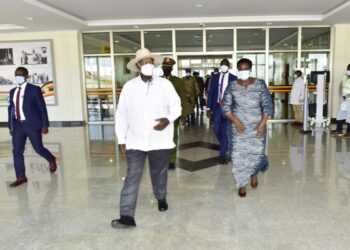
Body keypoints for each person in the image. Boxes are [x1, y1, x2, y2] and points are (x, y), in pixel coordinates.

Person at [112, 49, 181, 228]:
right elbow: (122, 115)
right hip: (135, 140)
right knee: (132, 177)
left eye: (150, 61)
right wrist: (121, 139)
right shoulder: (129, 87)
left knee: (159, 173)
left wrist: (168, 119)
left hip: (160, 140)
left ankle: (161, 197)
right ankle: (126, 216)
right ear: (137, 66)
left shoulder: (165, 85)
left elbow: (177, 106)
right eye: (144, 62)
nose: (148, 64)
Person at [221, 58, 273, 197]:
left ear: (250, 69)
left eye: (246, 69)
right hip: (238, 129)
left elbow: (267, 105)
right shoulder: (232, 86)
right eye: (241, 69)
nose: (243, 71)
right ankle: (241, 184)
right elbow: (225, 107)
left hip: (257, 126)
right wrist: (236, 121)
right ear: (237, 70)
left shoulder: (260, 84)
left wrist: (262, 124)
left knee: (256, 154)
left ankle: (254, 174)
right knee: (238, 156)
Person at [7, 67, 57, 187]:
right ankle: (21, 177)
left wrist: (45, 125)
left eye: (20, 76)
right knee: (17, 151)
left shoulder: (34, 90)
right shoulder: (13, 91)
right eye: (16, 75)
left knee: (38, 148)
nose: (18, 78)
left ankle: (51, 159)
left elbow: (42, 108)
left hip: (32, 125)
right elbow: (11, 109)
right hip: (18, 125)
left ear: (26, 77)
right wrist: (11, 126)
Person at [207, 59, 237, 164]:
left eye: (226, 65)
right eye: (222, 64)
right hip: (217, 107)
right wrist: (208, 108)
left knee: (226, 130)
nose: (224, 66)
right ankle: (225, 144)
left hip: (229, 108)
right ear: (220, 66)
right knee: (216, 128)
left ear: (229, 66)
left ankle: (222, 154)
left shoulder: (234, 78)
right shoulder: (214, 78)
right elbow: (211, 92)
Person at [162, 57, 188, 170]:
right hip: (160, 113)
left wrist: (184, 115)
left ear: (172, 68)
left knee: (172, 137)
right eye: (164, 67)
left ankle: (171, 160)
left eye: (168, 67)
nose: (166, 69)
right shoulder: (156, 80)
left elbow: (182, 98)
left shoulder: (178, 81)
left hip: (173, 115)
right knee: (160, 137)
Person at [330, 64, 350, 137]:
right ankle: (338, 130)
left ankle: (348, 132)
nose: (348, 71)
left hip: (349, 99)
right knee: (340, 115)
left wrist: (347, 96)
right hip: (343, 100)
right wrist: (341, 96)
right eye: (348, 69)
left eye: (349, 69)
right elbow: (340, 87)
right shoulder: (344, 76)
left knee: (349, 116)